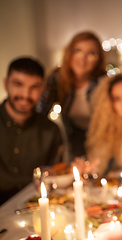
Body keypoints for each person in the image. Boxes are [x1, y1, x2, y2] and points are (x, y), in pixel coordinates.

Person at [0, 57, 63, 204]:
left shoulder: (51, 131)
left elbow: (54, 175)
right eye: (18, 84)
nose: (25, 94)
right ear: (5, 84)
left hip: (36, 206)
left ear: (42, 89)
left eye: (34, 87)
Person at [37, 31, 106, 161]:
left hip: (103, 136)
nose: (83, 59)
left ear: (98, 59)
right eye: (78, 51)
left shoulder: (104, 81)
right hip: (74, 136)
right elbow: (40, 114)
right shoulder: (56, 80)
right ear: (69, 53)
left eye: (91, 54)